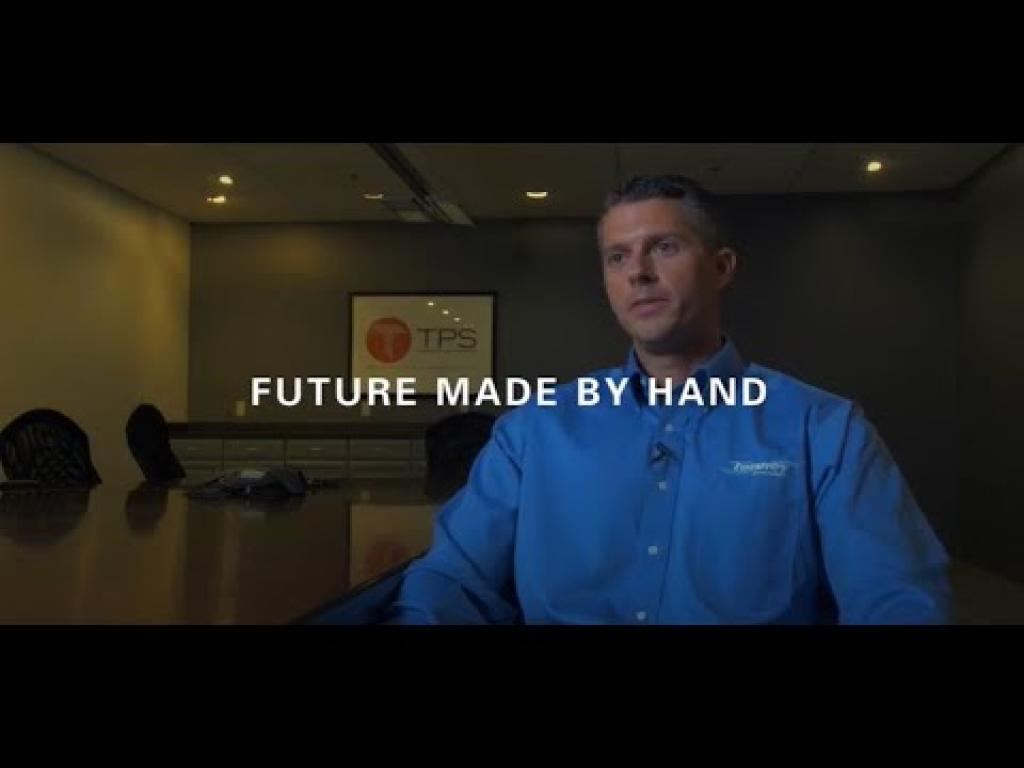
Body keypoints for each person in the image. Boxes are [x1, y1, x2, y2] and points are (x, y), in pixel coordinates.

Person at [389, 174, 951, 624]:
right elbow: (450, 581)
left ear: (721, 267)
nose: (638, 272)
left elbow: (897, 601)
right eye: (617, 257)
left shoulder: (824, 430)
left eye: (664, 247)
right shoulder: (533, 431)